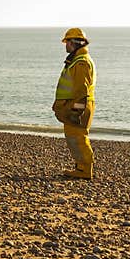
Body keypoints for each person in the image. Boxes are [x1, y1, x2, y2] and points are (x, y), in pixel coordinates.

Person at [51, 27, 96, 180]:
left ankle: (85, 169)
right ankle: (80, 167)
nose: (66, 45)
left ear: (75, 43)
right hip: (74, 106)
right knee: (74, 138)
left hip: (78, 107)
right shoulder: (76, 60)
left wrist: (76, 111)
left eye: (67, 42)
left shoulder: (81, 63)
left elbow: (81, 91)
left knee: (79, 138)